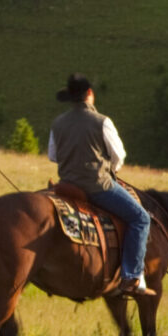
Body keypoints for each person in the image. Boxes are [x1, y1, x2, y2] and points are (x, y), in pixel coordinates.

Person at [47, 74, 155, 299]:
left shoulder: (58, 123)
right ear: (89, 94)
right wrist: (108, 169)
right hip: (97, 187)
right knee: (140, 218)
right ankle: (131, 276)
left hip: (66, 185)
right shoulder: (102, 121)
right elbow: (119, 157)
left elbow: (53, 156)